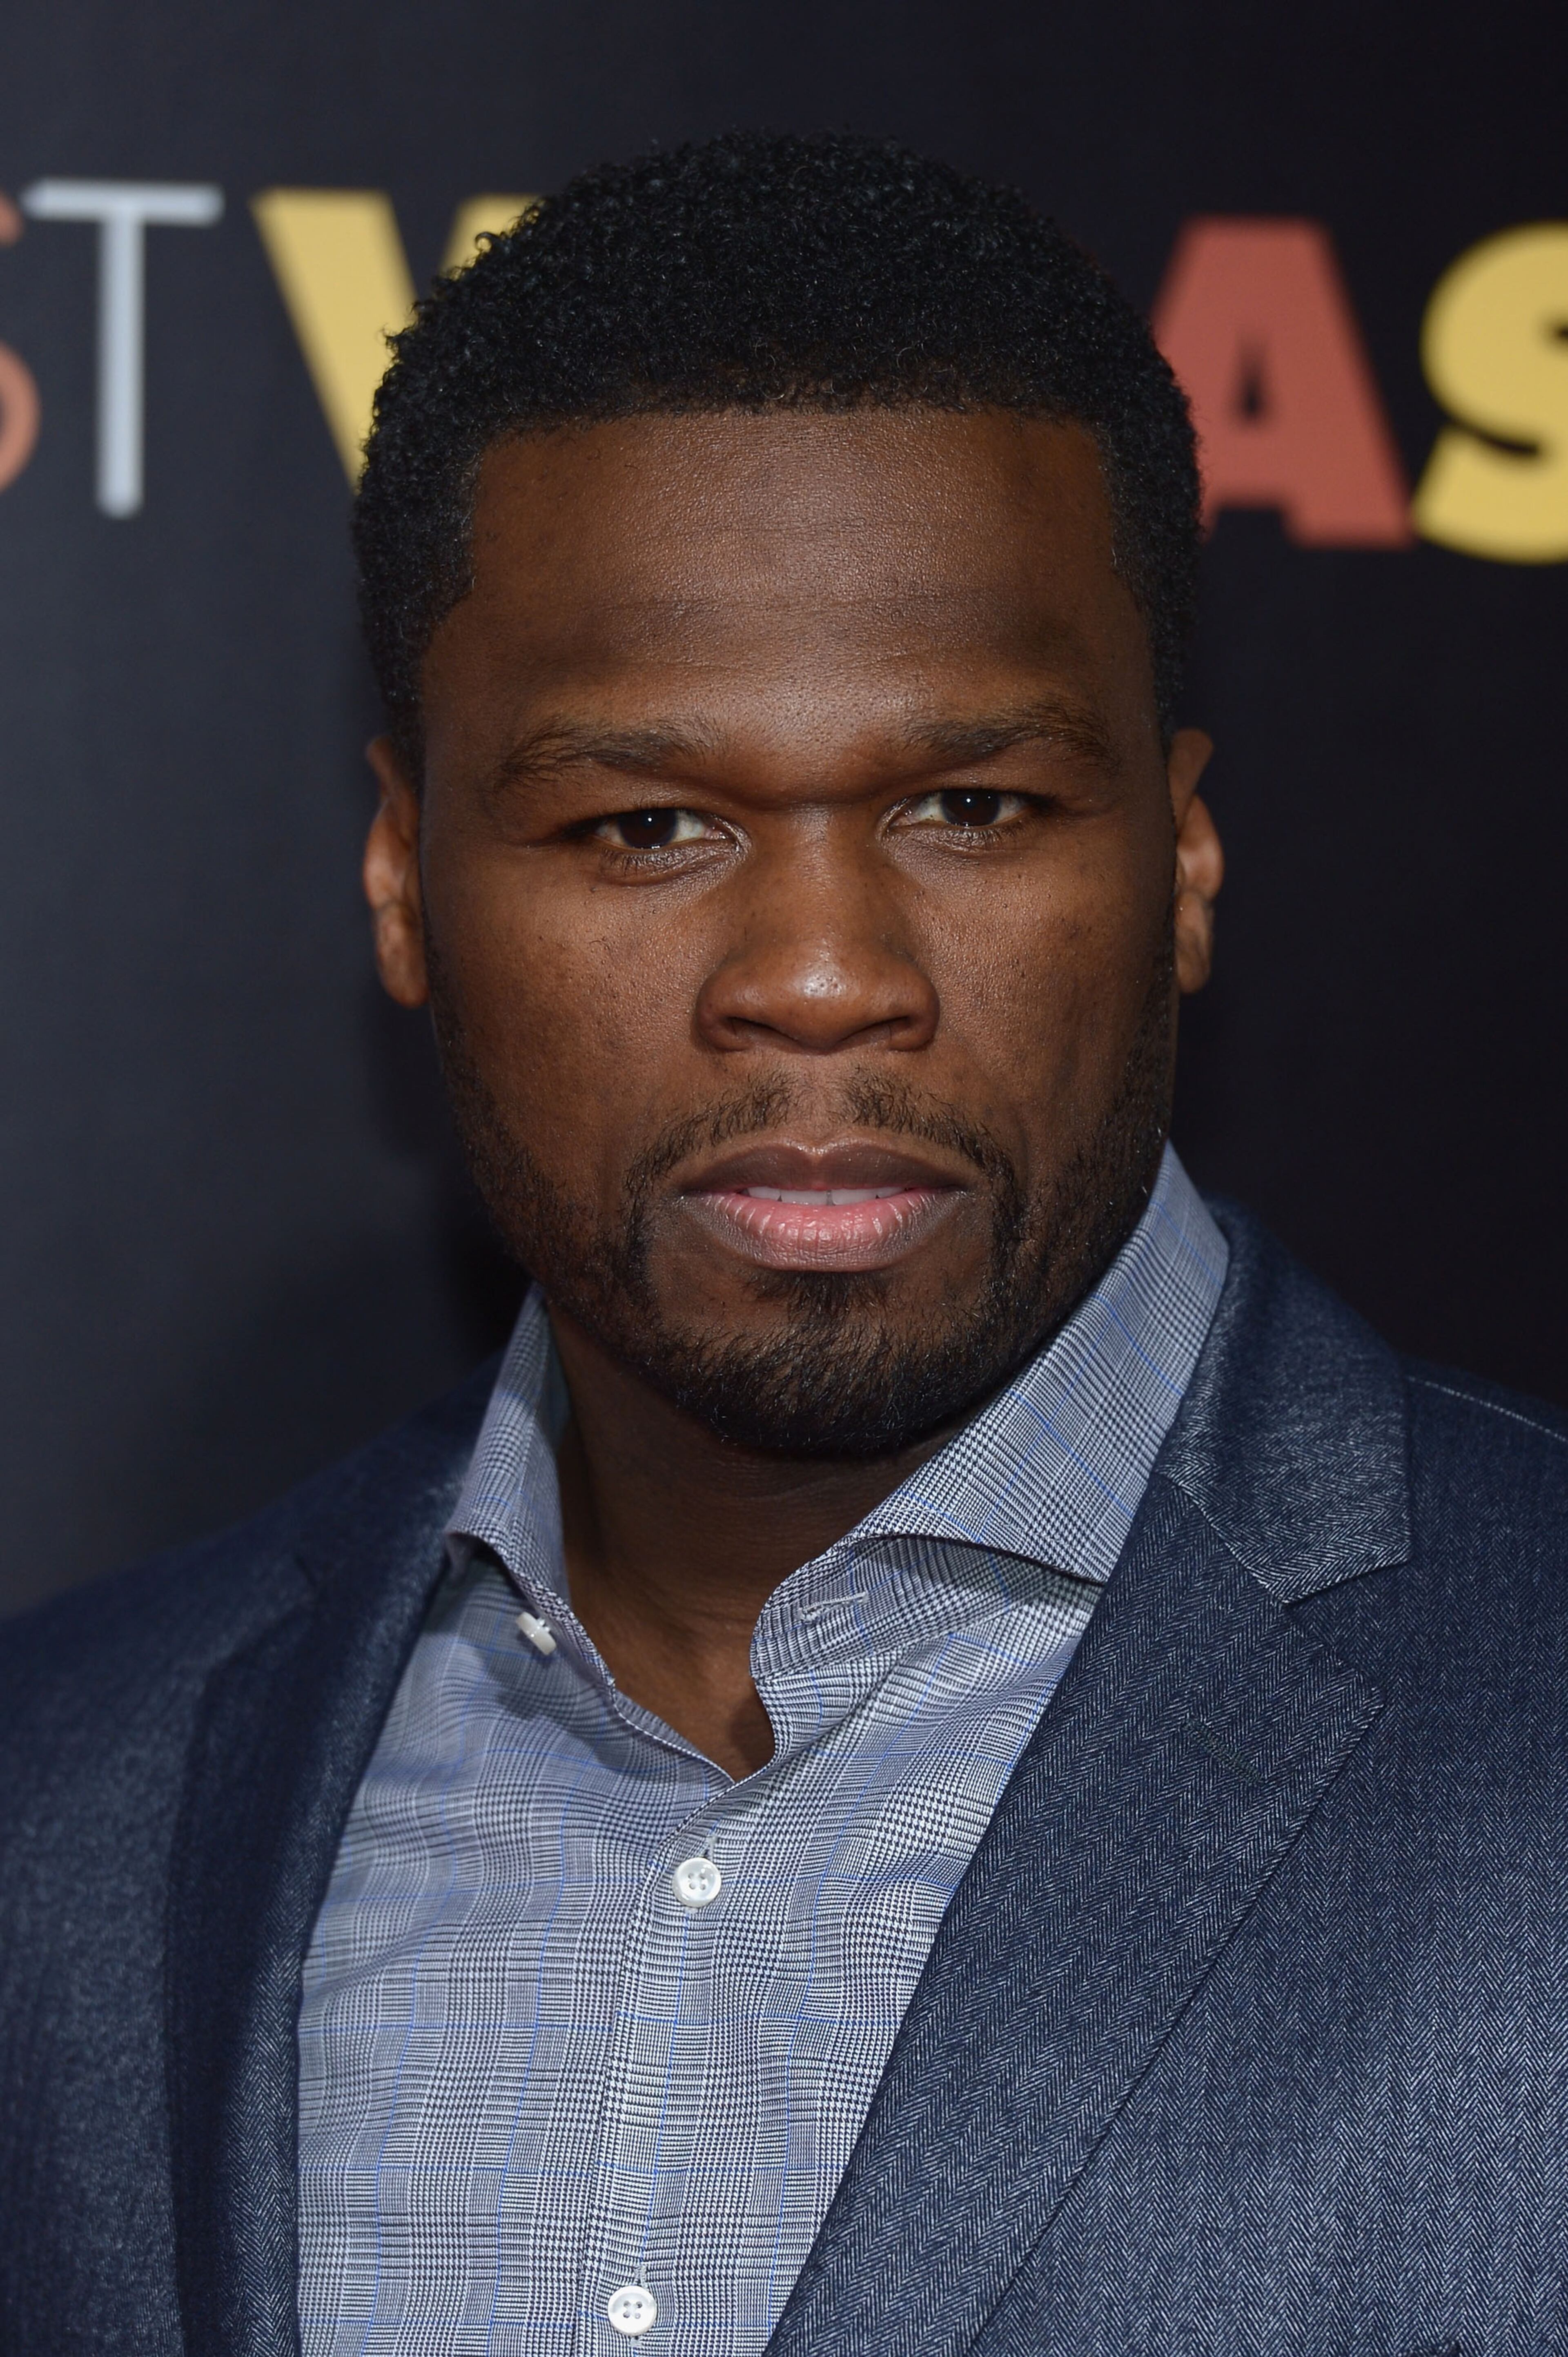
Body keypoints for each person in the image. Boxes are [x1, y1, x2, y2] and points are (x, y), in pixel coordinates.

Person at [2, 129, 1565, 2357]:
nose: (823, 974)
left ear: (1186, 857)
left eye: (969, 808)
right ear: (401, 880)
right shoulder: (63, 1809)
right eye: (647, 824)